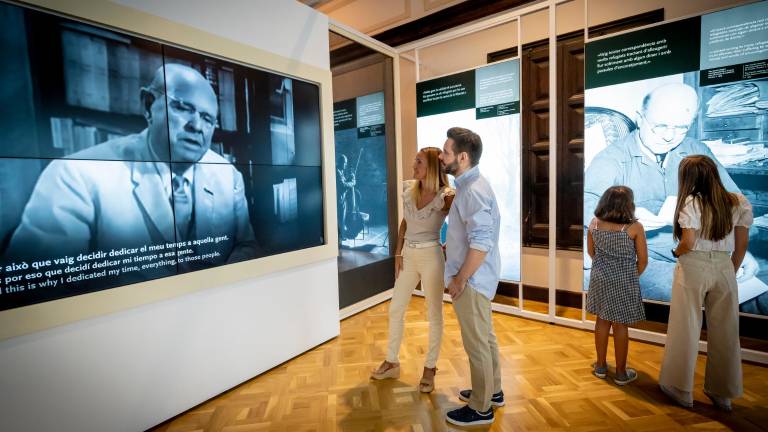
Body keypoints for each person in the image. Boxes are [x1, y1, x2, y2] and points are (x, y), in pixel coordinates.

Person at [6, 64, 258, 277]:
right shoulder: (76, 175)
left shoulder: (227, 174)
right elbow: (41, 286)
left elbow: (246, 245)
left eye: (207, 118)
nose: (197, 126)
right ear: (148, 105)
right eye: (182, 108)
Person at [584, 82, 761, 308]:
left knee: (756, 289)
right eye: (660, 126)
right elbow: (585, 203)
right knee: (698, 291)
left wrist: (736, 248)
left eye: (681, 128)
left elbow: (734, 203)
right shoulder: (611, 158)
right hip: (641, 252)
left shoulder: (697, 150)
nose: (669, 136)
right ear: (640, 118)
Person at [659, 155, 752, 411]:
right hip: (724, 265)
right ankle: (723, 394)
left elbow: (688, 242)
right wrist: (729, 269)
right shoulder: (738, 201)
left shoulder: (691, 202)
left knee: (685, 326)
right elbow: (742, 244)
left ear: (689, 178)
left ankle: (681, 389)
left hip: (693, 266)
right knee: (726, 331)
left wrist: (677, 252)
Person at [370, 147, 454, 393]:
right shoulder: (410, 189)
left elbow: (462, 223)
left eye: (418, 162)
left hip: (431, 256)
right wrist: (398, 252)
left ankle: (430, 367)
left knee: (434, 314)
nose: (413, 165)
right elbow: (406, 221)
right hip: (408, 254)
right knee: (396, 308)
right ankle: (392, 361)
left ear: (431, 167)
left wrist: (453, 245)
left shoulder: (447, 195)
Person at [439, 127, 502, 427]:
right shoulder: (471, 186)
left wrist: (460, 279)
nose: (441, 156)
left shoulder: (472, 190)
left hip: (473, 281)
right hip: (479, 278)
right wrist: (450, 245)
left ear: (462, 157)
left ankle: (480, 408)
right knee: (485, 339)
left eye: (446, 152)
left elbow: (481, 243)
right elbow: (471, 235)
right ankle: (493, 391)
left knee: (476, 343)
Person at [586, 186, 648, 385]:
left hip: (599, 278)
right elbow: (643, 260)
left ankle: (601, 366)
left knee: (602, 320)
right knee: (620, 325)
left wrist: (605, 270)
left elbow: (591, 253)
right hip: (623, 280)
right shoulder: (634, 227)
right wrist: (628, 276)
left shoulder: (594, 224)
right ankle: (621, 373)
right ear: (628, 204)